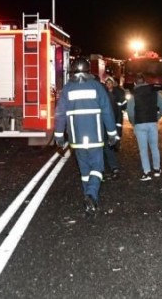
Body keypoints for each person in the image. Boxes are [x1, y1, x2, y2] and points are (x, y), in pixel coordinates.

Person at [53, 57, 118, 218]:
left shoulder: (68, 89)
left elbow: (60, 114)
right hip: (95, 136)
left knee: (84, 171)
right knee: (97, 168)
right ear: (89, 70)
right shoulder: (97, 86)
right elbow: (107, 112)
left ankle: (88, 201)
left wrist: (59, 136)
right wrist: (112, 135)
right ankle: (91, 195)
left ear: (73, 71)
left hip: (77, 138)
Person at [126, 74, 162, 181]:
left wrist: (133, 122)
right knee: (154, 147)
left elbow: (130, 111)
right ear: (145, 81)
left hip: (139, 123)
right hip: (152, 123)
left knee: (143, 150)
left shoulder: (134, 94)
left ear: (135, 83)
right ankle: (157, 170)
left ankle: (147, 172)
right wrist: (158, 116)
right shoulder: (154, 92)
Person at [103, 76, 127, 179]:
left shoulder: (118, 93)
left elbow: (122, 107)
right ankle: (109, 168)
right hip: (106, 123)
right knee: (107, 145)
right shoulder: (103, 94)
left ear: (113, 84)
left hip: (115, 121)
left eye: (110, 83)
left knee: (110, 144)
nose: (108, 85)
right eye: (107, 83)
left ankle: (111, 167)